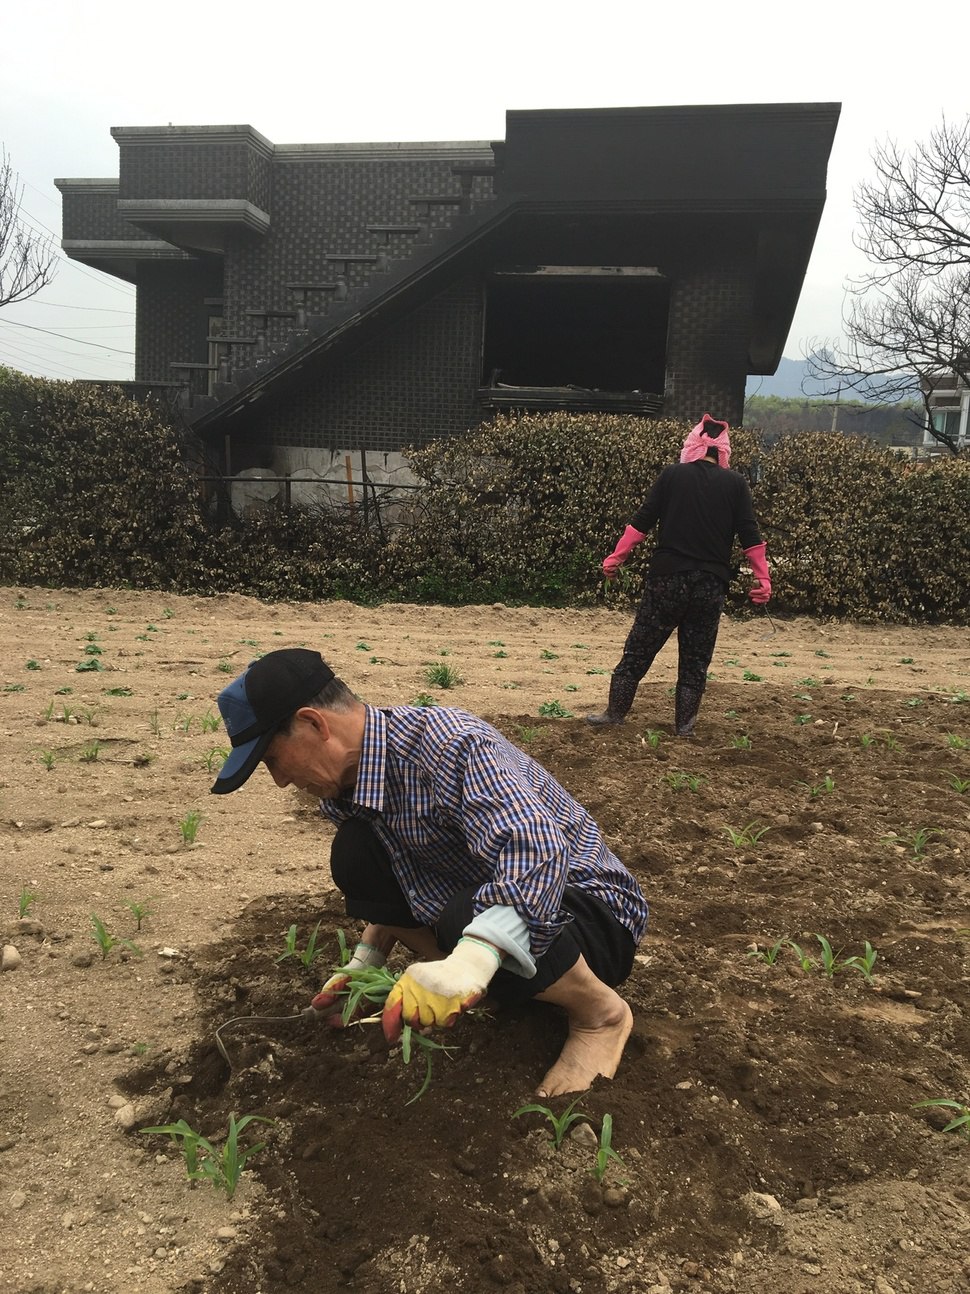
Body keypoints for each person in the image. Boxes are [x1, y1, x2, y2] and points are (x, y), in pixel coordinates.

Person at [210, 647, 649, 1098]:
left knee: (467, 915)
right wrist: (365, 965)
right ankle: (489, 984)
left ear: (314, 724)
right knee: (356, 851)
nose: (280, 781)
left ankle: (600, 1015)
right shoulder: (342, 788)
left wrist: (471, 958)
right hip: (503, 911)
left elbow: (537, 850)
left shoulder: (450, 742)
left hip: (590, 913)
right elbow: (399, 871)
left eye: (272, 760)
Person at [587, 413, 770, 736]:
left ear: (693, 444)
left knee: (639, 648)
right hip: (710, 586)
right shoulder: (736, 484)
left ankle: (614, 714)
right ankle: (684, 727)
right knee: (696, 659)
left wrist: (615, 558)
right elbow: (749, 534)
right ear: (723, 450)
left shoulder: (672, 476)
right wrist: (763, 579)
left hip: (667, 580)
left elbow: (642, 522)